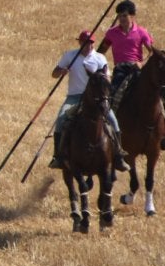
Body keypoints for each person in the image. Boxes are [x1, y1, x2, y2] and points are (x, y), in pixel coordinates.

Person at [99, 0, 165, 150]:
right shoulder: (111, 33)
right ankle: (109, 129)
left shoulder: (141, 32)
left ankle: (164, 133)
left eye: (125, 16)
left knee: (161, 95)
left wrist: (141, 62)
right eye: (120, 16)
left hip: (137, 69)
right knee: (113, 96)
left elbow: (151, 51)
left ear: (132, 16)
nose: (122, 19)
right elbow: (101, 51)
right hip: (120, 69)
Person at [50, 29, 127, 171]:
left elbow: (108, 78)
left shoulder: (99, 58)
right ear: (80, 43)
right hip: (74, 96)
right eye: (85, 43)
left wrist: (102, 78)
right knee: (61, 119)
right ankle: (58, 156)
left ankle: (119, 155)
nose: (88, 46)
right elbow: (54, 74)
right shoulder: (70, 56)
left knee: (112, 120)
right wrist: (62, 72)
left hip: (95, 98)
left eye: (91, 43)